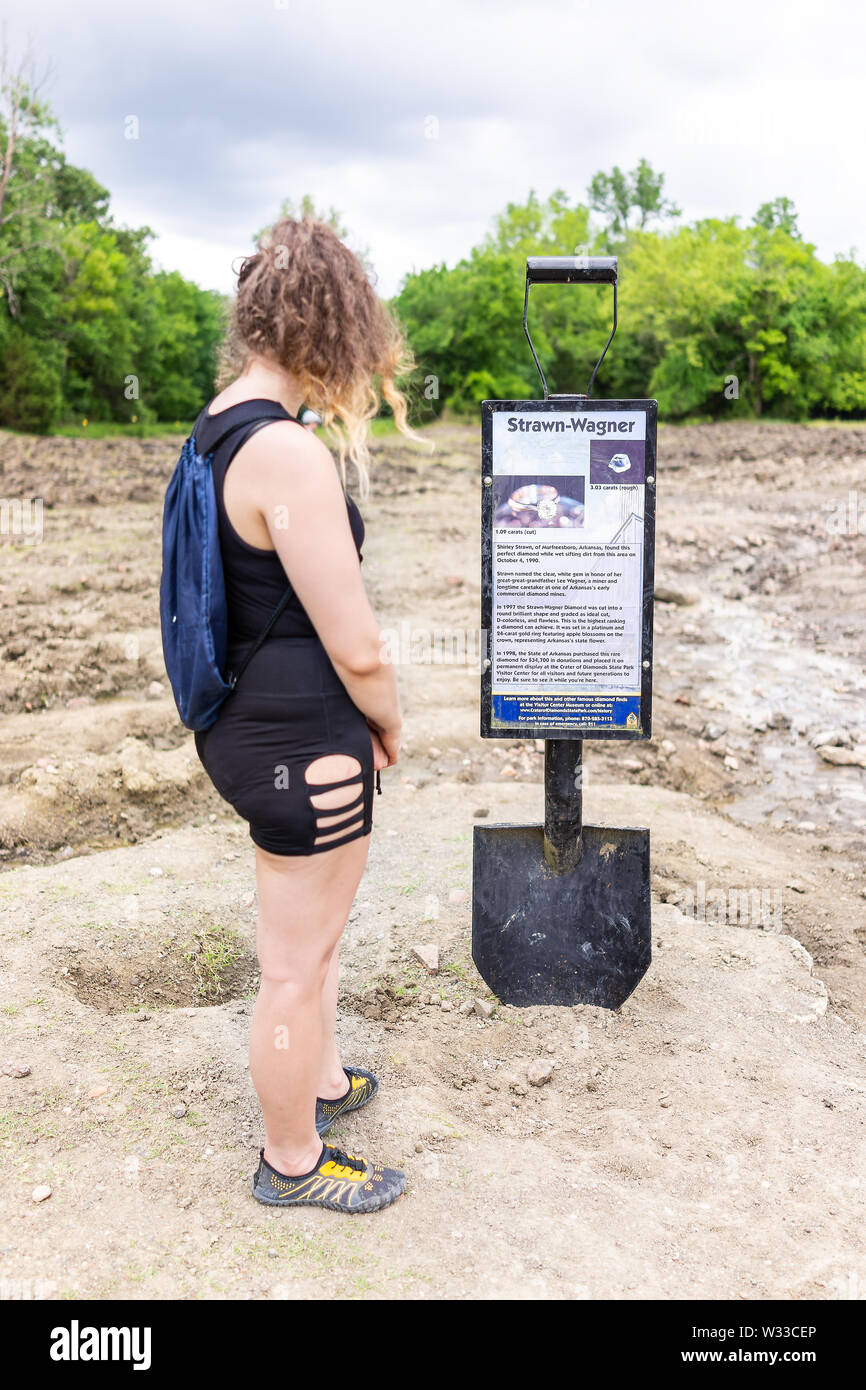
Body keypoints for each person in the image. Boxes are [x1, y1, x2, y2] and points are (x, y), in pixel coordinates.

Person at [191, 216, 425, 1213]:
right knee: (291, 965)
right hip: (297, 736)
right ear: (328, 326)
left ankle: (321, 1083)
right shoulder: (283, 452)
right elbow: (356, 639)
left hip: (258, 722)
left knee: (314, 941)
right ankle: (291, 1160)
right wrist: (387, 721)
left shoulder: (219, 423)